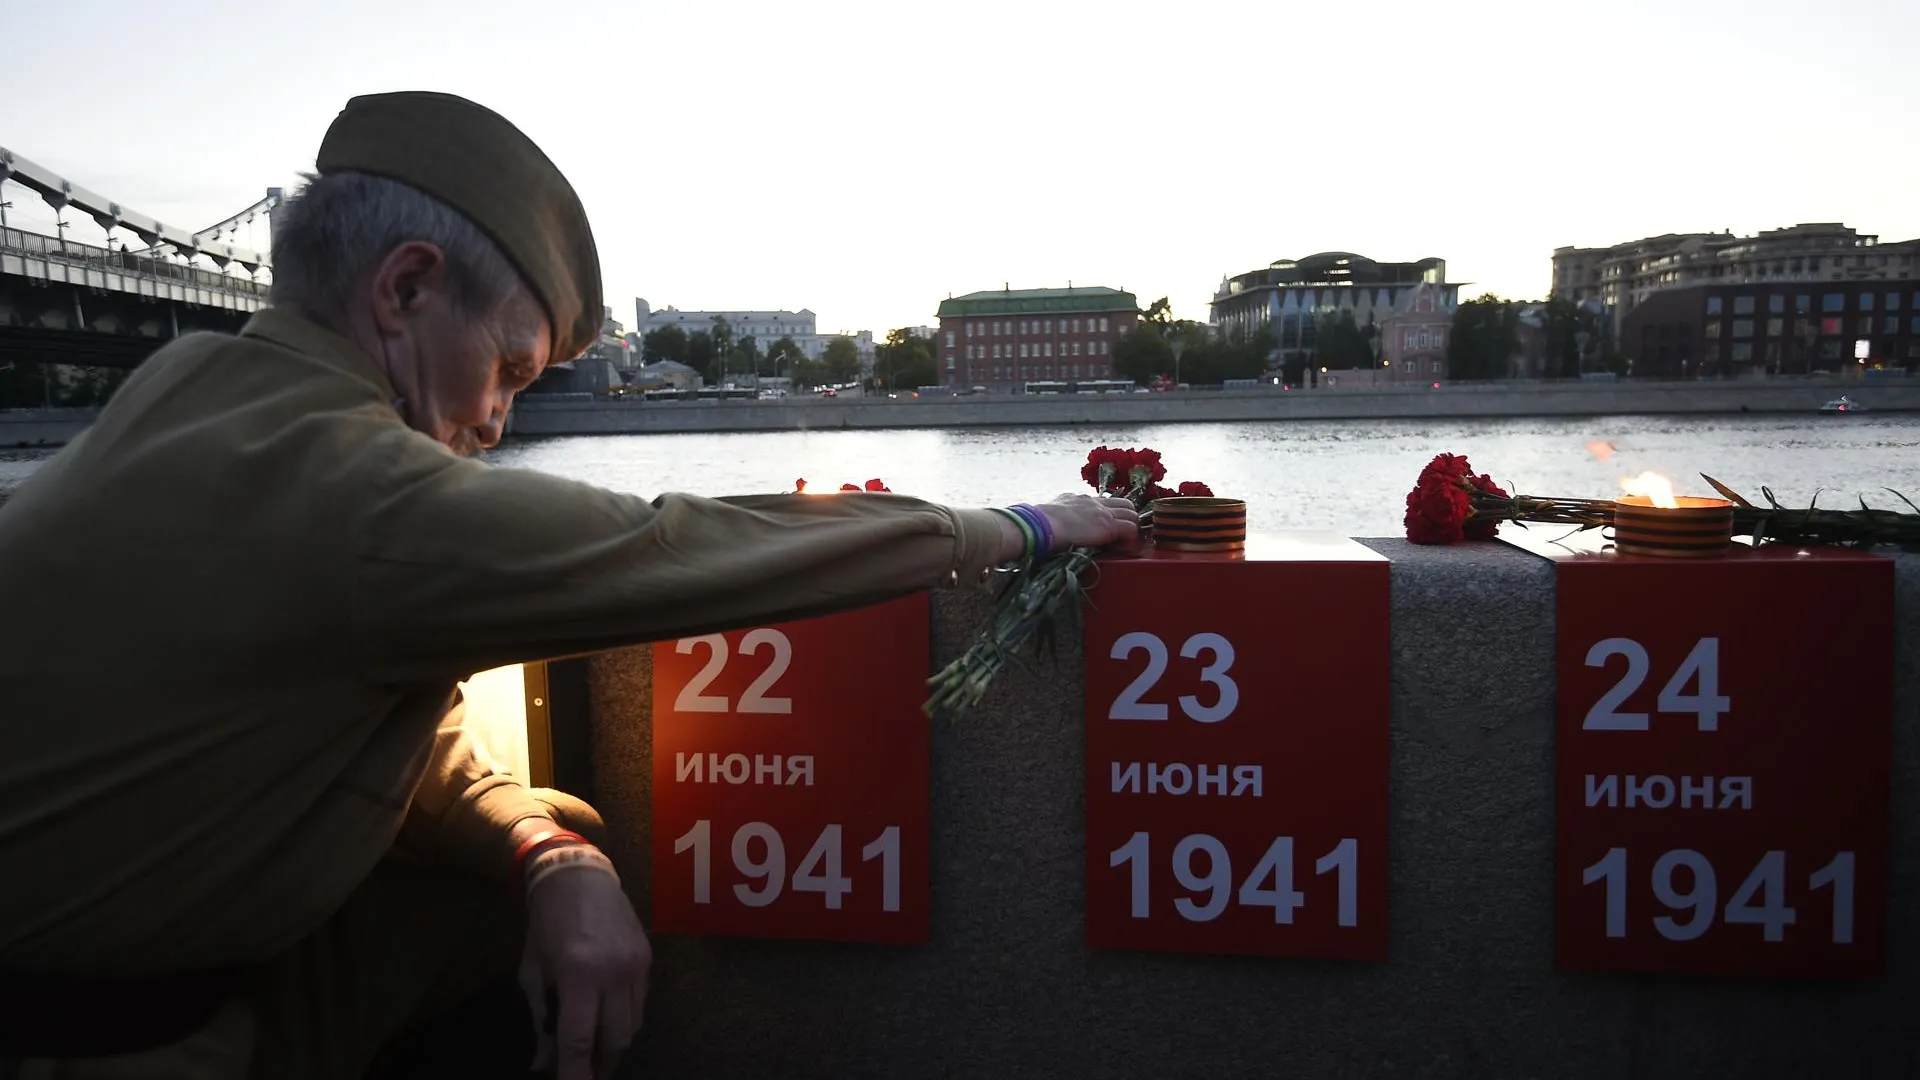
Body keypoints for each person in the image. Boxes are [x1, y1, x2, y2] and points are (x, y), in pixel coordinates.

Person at [0, 91, 1138, 1080]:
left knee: (548, 839)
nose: (496, 424)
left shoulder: (187, 389)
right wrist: (1019, 526)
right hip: (101, 1043)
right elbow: (670, 549)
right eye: (504, 369)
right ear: (405, 289)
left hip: (133, 971)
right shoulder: (354, 491)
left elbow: (395, 729)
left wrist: (549, 852)